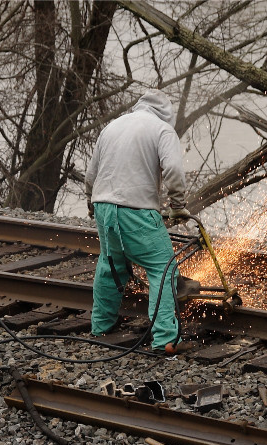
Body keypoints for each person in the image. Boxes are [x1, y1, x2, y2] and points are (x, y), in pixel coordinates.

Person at [85, 90, 191, 355]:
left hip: (102, 205)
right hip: (136, 210)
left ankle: (101, 326)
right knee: (163, 268)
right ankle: (165, 339)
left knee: (111, 264)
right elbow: (174, 170)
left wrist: (91, 202)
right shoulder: (162, 129)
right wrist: (177, 205)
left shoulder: (113, 126)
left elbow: (91, 174)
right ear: (166, 114)